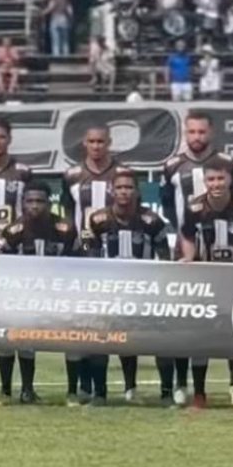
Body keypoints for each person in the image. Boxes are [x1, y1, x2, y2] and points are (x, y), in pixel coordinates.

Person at [159, 112, 233, 405]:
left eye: (202, 132)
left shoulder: (228, 163)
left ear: (212, 133)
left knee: (232, 316)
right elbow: (167, 206)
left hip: (225, 250)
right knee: (185, 319)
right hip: (185, 252)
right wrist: (185, 235)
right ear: (185, 133)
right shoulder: (171, 165)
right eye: (192, 132)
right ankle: (183, 384)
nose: (196, 137)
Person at [179, 155, 233, 410]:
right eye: (211, 179)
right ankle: (199, 395)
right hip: (207, 282)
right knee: (201, 338)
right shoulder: (194, 207)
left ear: (230, 179)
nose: (216, 184)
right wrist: (189, 257)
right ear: (204, 181)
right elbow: (186, 235)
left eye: (220, 178)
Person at [0, 180, 81, 403]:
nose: (34, 206)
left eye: (40, 201)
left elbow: (83, 255)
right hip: (23, 298)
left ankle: (73, 392)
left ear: (49, 204)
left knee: (73, 340)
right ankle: (12, 391)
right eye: (29, 201)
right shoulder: (13, 230)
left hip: (58, 296)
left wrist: (88, 244)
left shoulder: (66, 228)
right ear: (22, 204)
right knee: (13, 341)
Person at [60, 125, 132, 405]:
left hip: (115, 261)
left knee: (116, 324)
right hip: (81, 260)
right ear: (85, 144)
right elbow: (67, 214)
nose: (97, 146)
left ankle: (125, 388)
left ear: (109, 142)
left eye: (101, 141)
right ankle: (84, 386)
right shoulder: (71, 175)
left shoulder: (123, 173)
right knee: (83, 325)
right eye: (91, 141)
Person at [87, 169, 170, 406]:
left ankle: (165, 392)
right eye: (120, 187)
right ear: (112, 191)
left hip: (143, 291)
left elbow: (165, 257)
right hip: (108, 292)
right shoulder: (97, 220)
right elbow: (89, 255)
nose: (124, 192)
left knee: (159, 340)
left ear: (137, 191)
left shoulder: (152, 221)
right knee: (101, 340)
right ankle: (100, 393)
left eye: (129, 187)